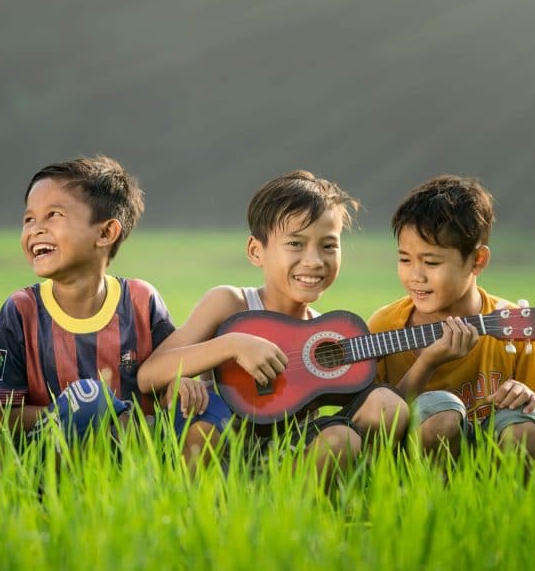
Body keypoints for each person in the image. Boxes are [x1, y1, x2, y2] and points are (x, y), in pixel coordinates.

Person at [137, 171, 408, 488]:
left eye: (328, 246)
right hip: (224, 453)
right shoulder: (231, 303)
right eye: (295, 243)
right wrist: (233, 345)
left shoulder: (327, 334)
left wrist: (432, 356)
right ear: (256, 251)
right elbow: (149, 374)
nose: (314, 260)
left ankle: (317, 509)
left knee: (359, 426)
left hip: (293, 459)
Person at [0, 155, 231, 467]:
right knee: (90, 397)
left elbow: (166, 374)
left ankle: (181, 493)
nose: (36, 229)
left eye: (53, 215)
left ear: (105, 233)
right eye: (29, 219)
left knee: (212, 405)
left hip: (139, 448)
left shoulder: (141, 300)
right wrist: (91, 412)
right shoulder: (21, 310)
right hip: (54, 454)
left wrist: (180, 385)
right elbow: (1, 412)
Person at [368, 174, 535, 468]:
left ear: (478, 261)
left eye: (431, 262)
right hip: (412, 467)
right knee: (441, 418)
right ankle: (436, 507)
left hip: (490, 459)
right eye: (405, 260)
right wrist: (427, 363)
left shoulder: (514, 326)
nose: (415, 276)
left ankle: (507, 510)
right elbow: (373, 430)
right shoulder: (385, 325)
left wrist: (534, 405)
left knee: (526, 429)